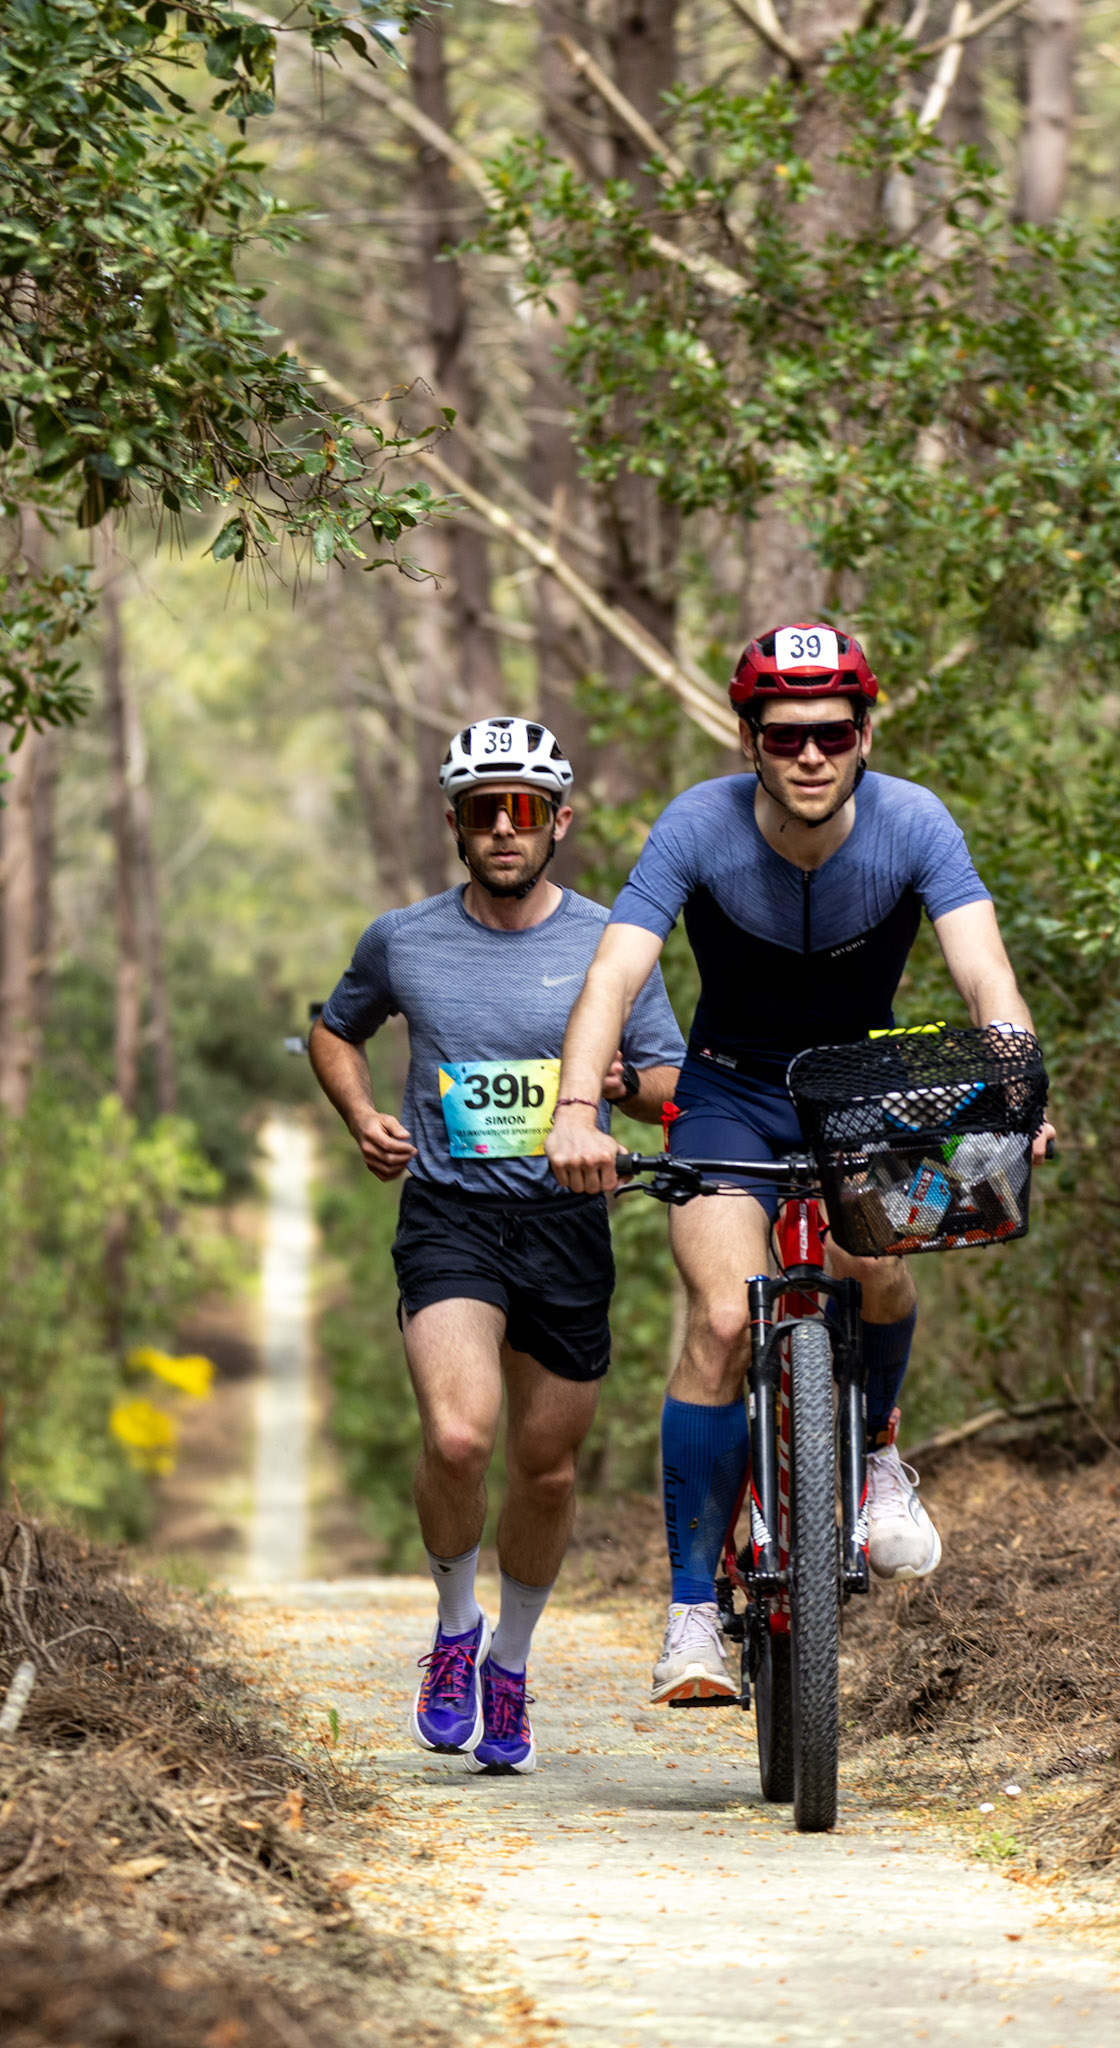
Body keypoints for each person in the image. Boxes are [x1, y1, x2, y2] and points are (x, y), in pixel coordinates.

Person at [545, 625, 1056, 1703]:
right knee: (722, 1320)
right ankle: (692, 1613)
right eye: (785, 735)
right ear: (750, 741)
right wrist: (577, 1109)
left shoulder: (914, 822)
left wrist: (1017, 1092)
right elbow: (611, 978)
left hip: (861, 1095)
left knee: (876, 1262)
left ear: (865, 733)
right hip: (727, 1093)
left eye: (832, 731)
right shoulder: (698, 823)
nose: (810, 754)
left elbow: (985, 975)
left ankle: (877, 1457)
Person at [310, 717, 685, 1767]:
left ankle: (508, 1664)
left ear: (560, 821)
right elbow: (335, 1030)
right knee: (459, 1437)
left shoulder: (612, 943)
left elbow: (668, 1078)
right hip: (451, 1215)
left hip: (567, 1223)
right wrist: (361, 1116)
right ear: (456, 825)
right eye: (486, 811)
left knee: (547, 1470)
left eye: (526, 810)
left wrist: (621, 1085)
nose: (506, 829)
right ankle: (453, 1628)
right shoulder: (403, 939)